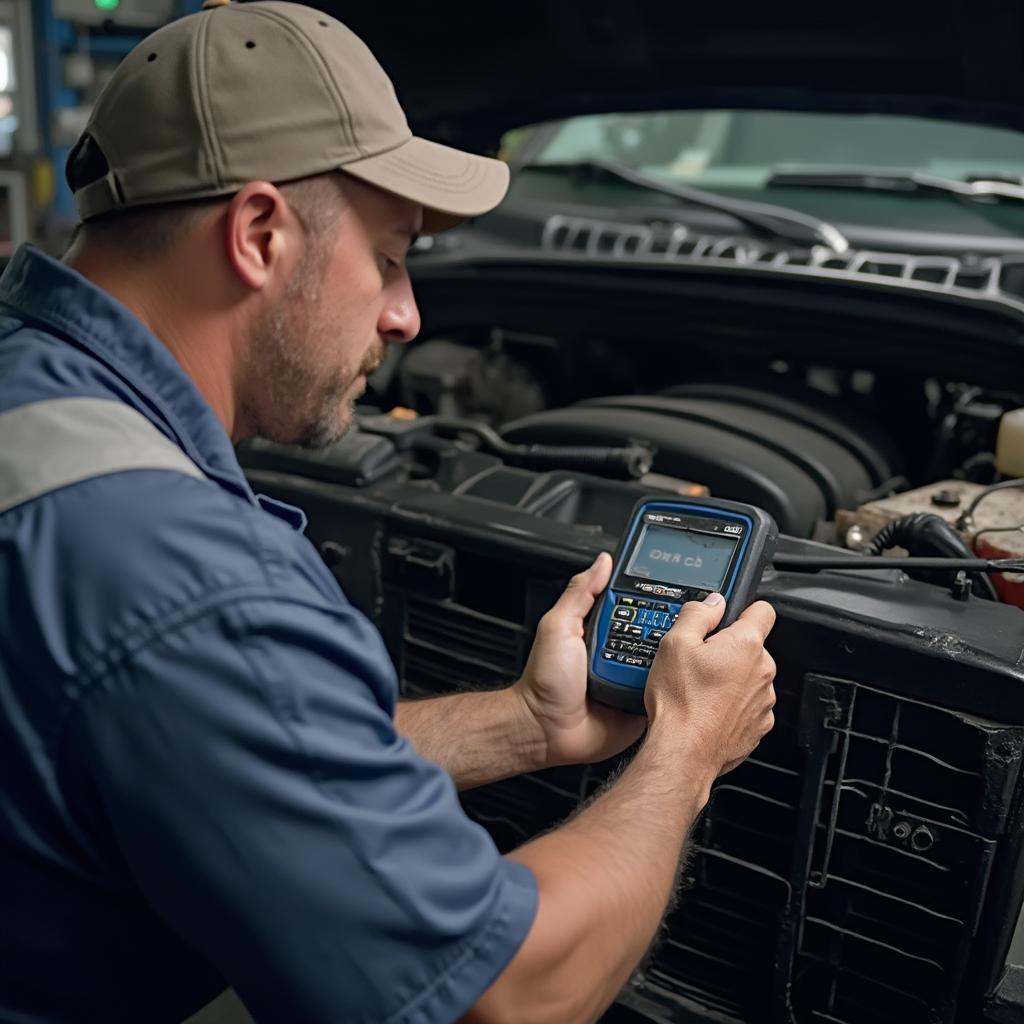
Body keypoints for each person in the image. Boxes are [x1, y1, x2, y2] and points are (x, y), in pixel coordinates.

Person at [0, 2, 777, 1022]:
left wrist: (528, 726)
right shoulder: (185, 577)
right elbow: (502, 998)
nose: (406, 314)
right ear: (260, 233)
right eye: (392, 254)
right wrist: (687, 747)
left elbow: (249, 759)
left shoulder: (37, 392)